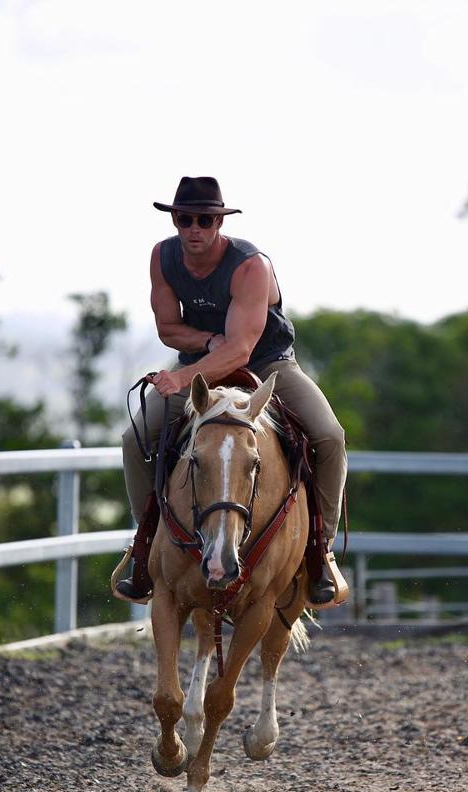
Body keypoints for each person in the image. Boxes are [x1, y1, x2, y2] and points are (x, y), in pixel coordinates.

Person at [116, 176, 347, 605]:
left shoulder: (250, 266)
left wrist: (183, 379)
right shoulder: (162, 258)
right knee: (135, 439)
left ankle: (321, 550)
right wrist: (204, 344)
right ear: (175, 221)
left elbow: (241, 350)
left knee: (329, 435)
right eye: (185, 219)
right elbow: (168, 328)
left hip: (267, 363)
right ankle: (145, 543)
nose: (194, 228)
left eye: (205, 219)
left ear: (220, 222)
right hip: (198, 365)